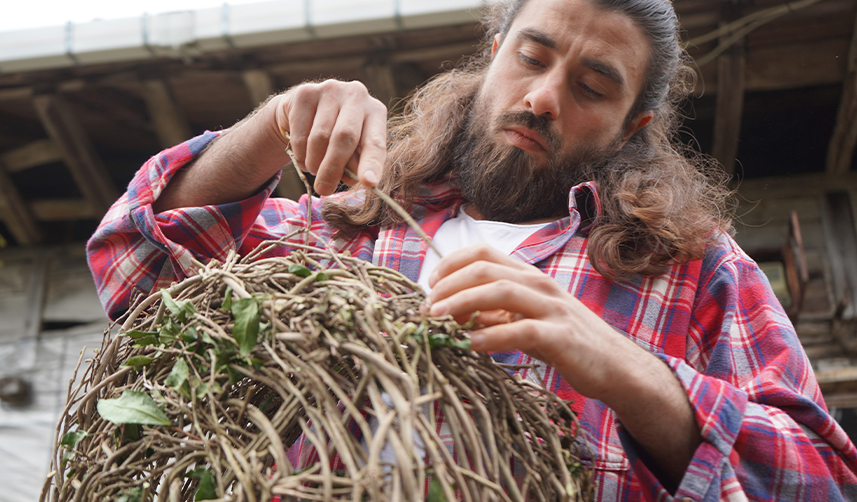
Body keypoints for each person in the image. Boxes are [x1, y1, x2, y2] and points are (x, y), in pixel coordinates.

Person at [87, 0, 857, 499]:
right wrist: (269, 126)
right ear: (492, 53)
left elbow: (821, 482)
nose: (543, 97)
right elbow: (137, 278)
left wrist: (630, 373)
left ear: (632, 130)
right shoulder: (333, 227)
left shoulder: (695, 269)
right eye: (531, 55)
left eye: (592, 86)